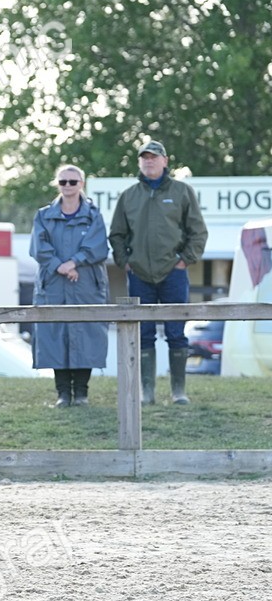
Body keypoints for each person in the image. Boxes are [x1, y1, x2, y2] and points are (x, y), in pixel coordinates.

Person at [109, 140, 209, 405]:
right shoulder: (129, 196)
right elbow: (117, 234)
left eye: (154, 157)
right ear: (139, 163)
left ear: (165, 161)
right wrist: (125, 262)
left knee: (176, 332)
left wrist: (184, 260)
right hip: (139, 274)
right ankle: (147, 392)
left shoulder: (182, 192)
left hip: (173, 273)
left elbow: (198, 232)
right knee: (144, 333)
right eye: (144, 158)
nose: (149, 161)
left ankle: (178, 391)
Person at [29, 165, 109, 408]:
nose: (68, 186)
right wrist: (59, 266)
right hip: (53, 284)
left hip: (86, 284)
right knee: (54, 335)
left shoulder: (94, 215)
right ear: (57, 184)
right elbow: (38, 246)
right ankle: (62, 393)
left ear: (81, 184)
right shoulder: (44, 215)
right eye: (63, 181)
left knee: (87, 335)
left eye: (73, 182)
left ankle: (82, 393)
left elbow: (98, 246)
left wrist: (74, 262)